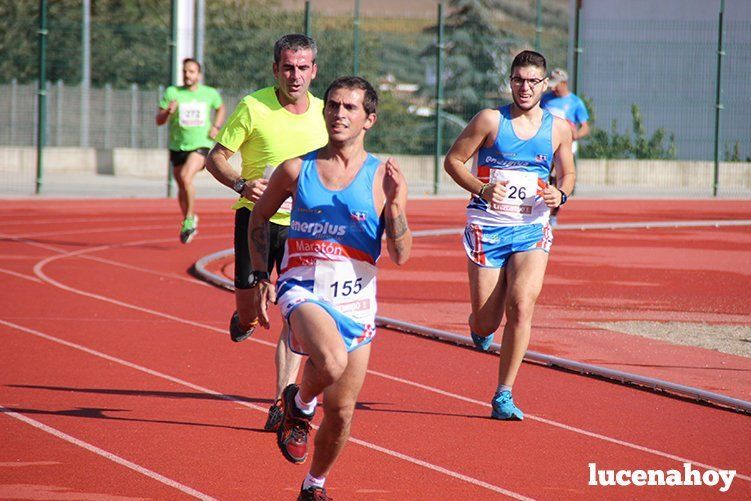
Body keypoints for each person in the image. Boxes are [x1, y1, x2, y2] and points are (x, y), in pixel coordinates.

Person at [249, 76, 411, 500]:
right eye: (333, 105)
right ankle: (298, 405)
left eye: (350, 108)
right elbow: (259, 218)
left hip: (357, 301)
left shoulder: (382, 177)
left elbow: (401, 254)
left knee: (340, 414)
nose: (338, 114)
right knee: (332, 362)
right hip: (303, 288)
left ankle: (313, 485)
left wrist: (395, 206)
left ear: (369, 119)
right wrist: (263, 275)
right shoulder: (295, 169)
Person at [205, 34, 327, 433]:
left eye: (303, 67)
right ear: (276, 69)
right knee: (249, 308)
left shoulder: (327, 114)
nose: (295, 75)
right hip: (255, 220)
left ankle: (281, 401)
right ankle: (244, 318)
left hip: (304, 228)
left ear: (314, 71)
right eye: (288, 67)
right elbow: (216, 159)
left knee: (295, 315)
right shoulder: (254, 106)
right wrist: (243, 185)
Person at [443, 50, 575, 421]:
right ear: (511, 81)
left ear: (545, 84)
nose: (526, 87)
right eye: (519, 79)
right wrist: (481, 188)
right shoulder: (490, 120)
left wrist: (560, 194)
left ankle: (504, 394)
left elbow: (568, 174)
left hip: (531, 228)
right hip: (488, 227)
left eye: (534, 81)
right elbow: (453, 161)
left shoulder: (558, 128)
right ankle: (479, 326)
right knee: (487, 321)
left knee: (521, 304)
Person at [156, 58, 225, 243]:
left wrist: (216, 127)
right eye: (185, 71)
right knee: (181, 183)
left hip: (201, 144)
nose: (188, 75)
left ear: (199, 75)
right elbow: (159, 120)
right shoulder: (172, 92)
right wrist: (168, 112)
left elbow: (220, 107)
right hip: (178, 145)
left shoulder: (209, 93)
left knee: (186, 176)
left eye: (192, 71)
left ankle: (188, 220)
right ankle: (190, 215)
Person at [540, 68, 589, 226]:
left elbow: (585, 127)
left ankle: (553, 214)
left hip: (564, 147)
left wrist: (575, 135)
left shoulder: (575, 102)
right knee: (542, 179)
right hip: (545, 145)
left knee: (558, 181)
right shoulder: (545, 99)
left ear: (564, 83)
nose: (553, 88)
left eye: (556, 85)